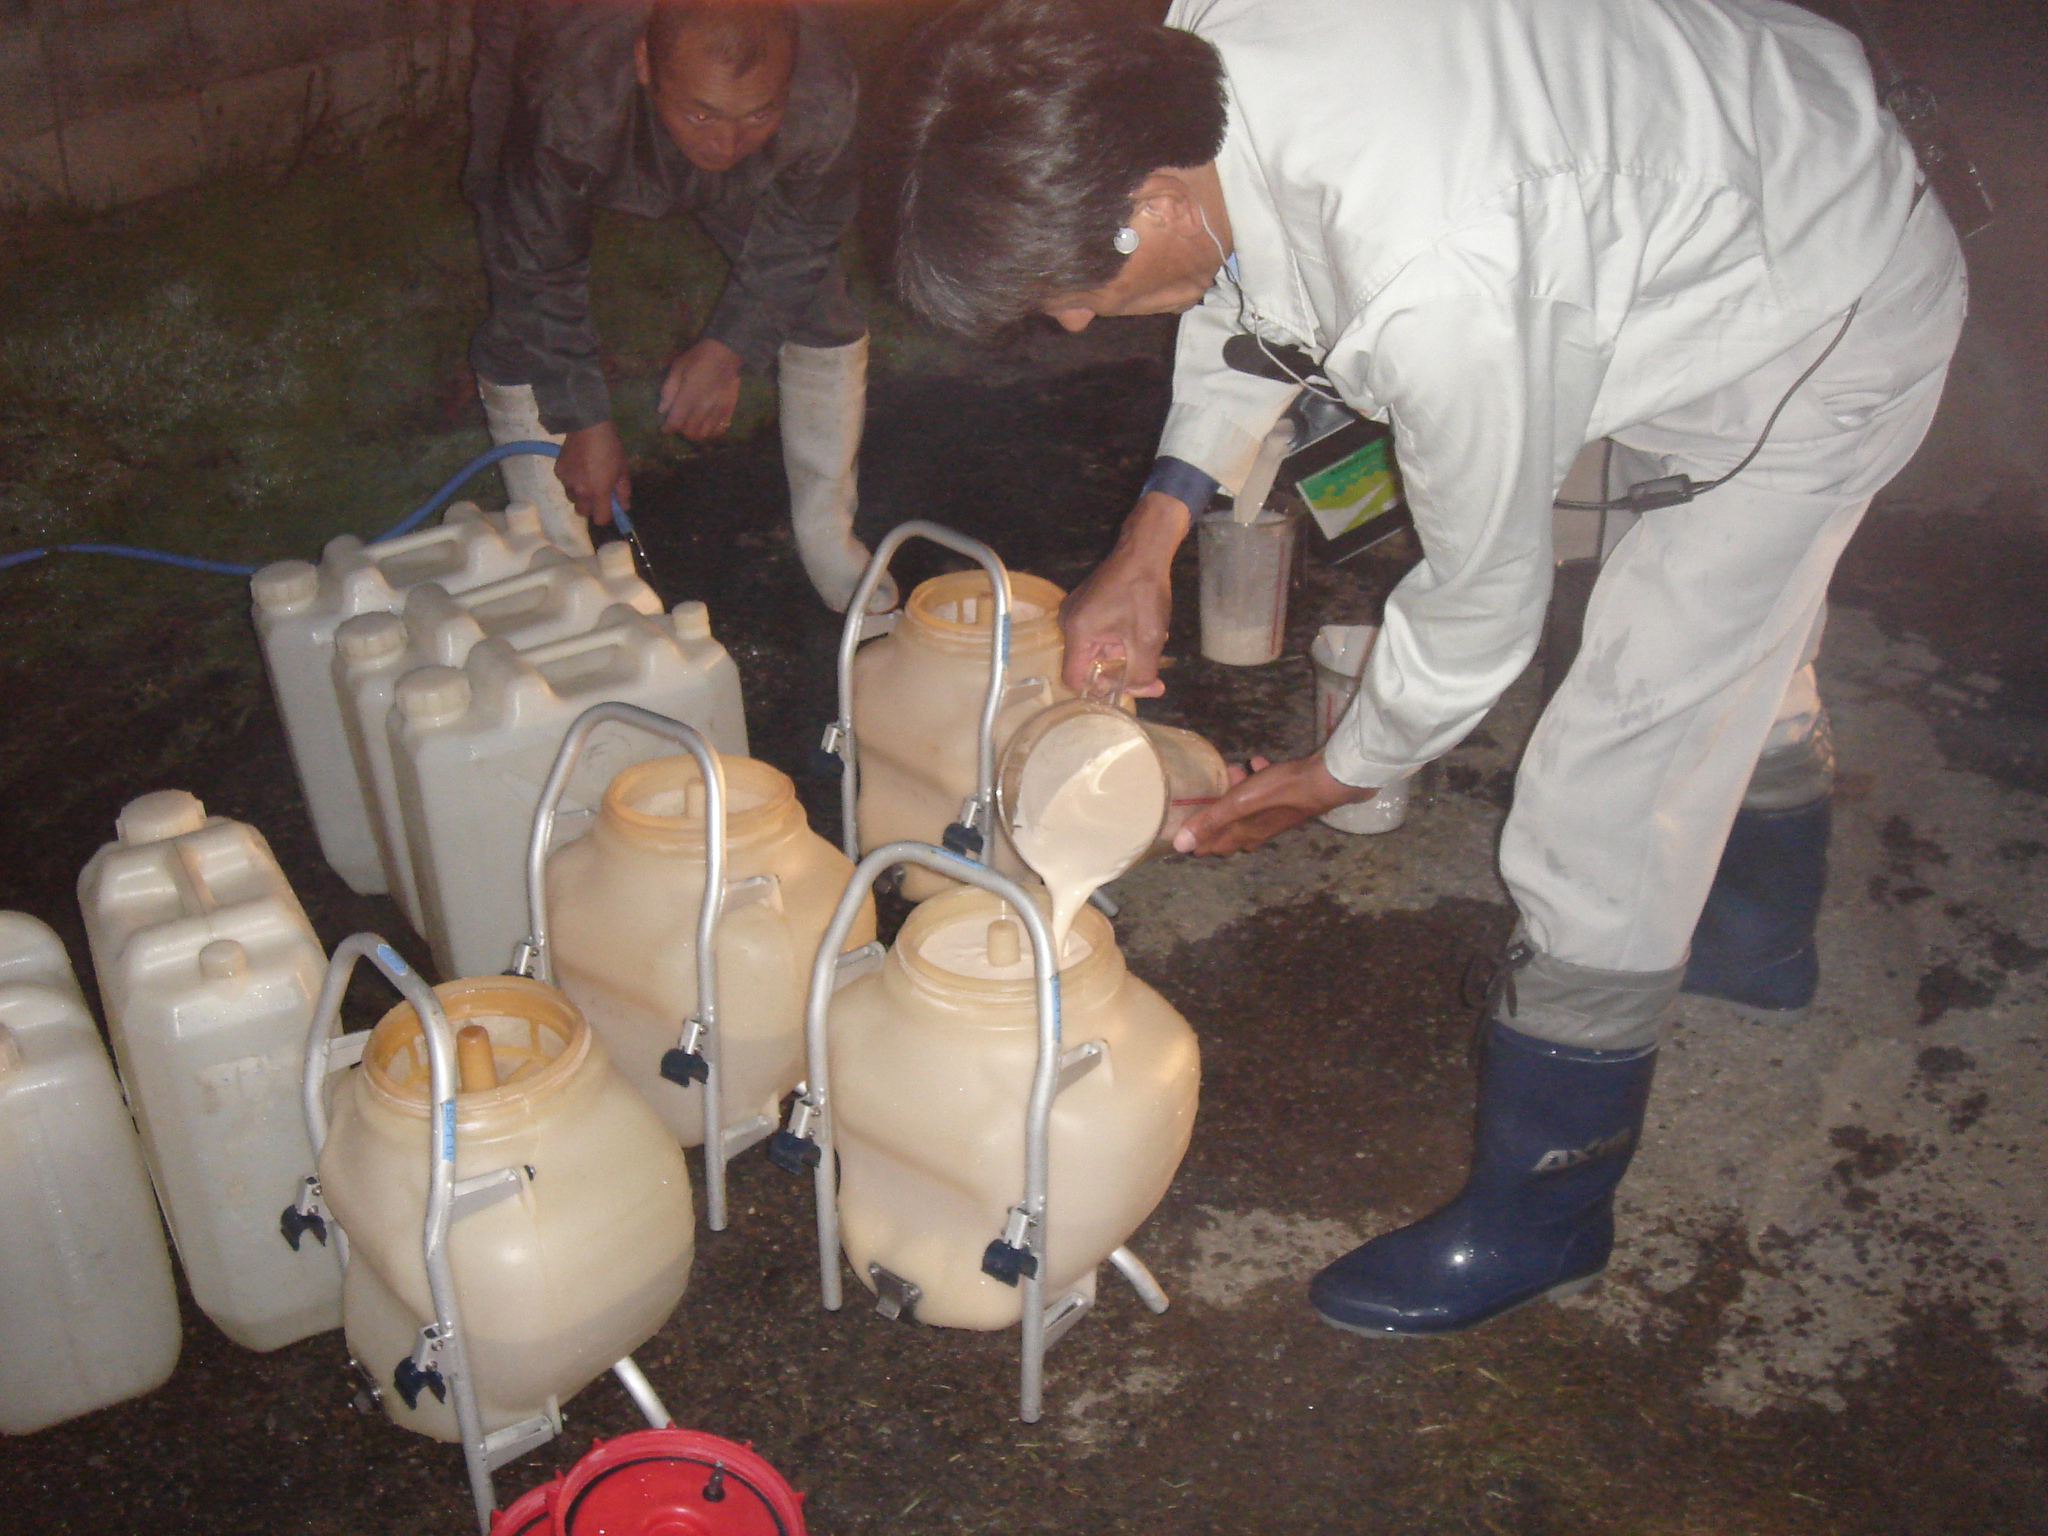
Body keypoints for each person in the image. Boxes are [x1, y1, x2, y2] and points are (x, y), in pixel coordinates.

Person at [889, 0, 1966, 1336]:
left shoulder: (1436, 276)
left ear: (1151, 196)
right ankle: (1755, 937)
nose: (1064, 324)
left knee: (1620, 758)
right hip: (1702, 194)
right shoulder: (1190, 63)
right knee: (1735, 627)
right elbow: (1244, 298)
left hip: (1816, 305)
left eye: (1067, 291)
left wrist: (1330, 779)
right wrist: (1150, 537)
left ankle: (1547, 1216)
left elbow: (1480, 604)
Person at [465, 0, 892, 612]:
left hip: (694, 100)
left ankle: (828, 540)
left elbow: (806, 229)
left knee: (819, 301)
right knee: (519, 313)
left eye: (760, 112)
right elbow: (537, 266)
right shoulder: (568, 102)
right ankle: (561, 568)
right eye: (702, 114)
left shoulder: (822, 90)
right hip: (549, 36)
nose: (726, 143)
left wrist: (728, 347)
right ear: (643, 62)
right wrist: (584, 420)